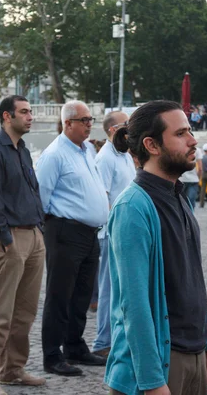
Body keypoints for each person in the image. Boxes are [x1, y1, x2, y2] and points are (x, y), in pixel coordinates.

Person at [106, 100, 207, 395]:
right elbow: (134, 304)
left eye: (190, 130)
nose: (193, 140)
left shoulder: (179, 196)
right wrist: (152, 380)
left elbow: (193, 277)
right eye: (181, 133)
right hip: (158, 365)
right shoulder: (133, 207)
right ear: (152, 145)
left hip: (191, 355)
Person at [0, 96, 46, 395]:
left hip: (33, 235)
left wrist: (39, 229)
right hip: (9, 238)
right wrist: (6, 240)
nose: (31, 117)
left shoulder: (23, 149)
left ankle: (13, 370)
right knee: (0, 314)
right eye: (25, 112)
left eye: (31, 112)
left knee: (25, 312)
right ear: (7, 116)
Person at [36, 100, 108, 376]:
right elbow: (41, 196)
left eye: (91, 119)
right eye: (85, 120)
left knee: (81, 294)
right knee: (59, 295)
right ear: (68, 123)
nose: (90, 124)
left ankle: (75, 346)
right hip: (65, 230)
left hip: (89, 232)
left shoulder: (86, 149)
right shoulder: (54, 154)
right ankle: (52, 355)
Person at [91, 110, 136, 360]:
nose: (130, 127)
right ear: (112, 129)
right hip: (111, 232)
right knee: (108, 288)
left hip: (124, 230)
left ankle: (115, 337)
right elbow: (103, 198)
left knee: (121, 288)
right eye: (126, 124)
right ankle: (102, 341)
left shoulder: (124, 155)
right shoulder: (105, 158)